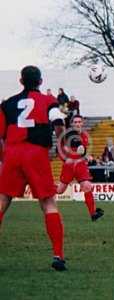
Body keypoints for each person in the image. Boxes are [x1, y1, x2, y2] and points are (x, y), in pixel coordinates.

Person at [0, 66, 67, 271]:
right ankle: (58, 255)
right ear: (40, 81)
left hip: (13, 153)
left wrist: (4, 158)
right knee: (48, 203)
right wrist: (61, 145)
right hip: (36, 154)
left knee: (2, 201)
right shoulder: (48, 101)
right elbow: (58, 120)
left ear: (21, 81)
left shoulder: (7, 104)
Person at [57, 114, 104, 221]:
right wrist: (65, 159)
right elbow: (59, 149)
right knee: (60, 191)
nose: (78, 124)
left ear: (82, 123)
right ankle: (45, 187)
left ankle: (93, 214)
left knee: (87, 186)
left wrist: (87, 156)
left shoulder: (84, 136)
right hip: (69, 166)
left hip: (80, 165)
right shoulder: (67, 135)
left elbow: (82, 151)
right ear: (72, 124)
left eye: (79, 122)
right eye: (76, 122)